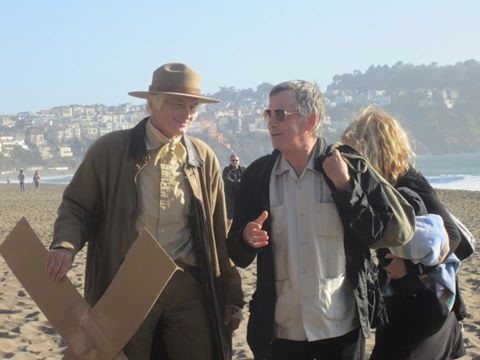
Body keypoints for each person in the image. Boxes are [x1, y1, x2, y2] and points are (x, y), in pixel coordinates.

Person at [46, 63, 243, 360]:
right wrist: (65, 245)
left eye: (193, 106)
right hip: (129, 281)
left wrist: (231, 295)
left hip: (187, 283)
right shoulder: (110, 150)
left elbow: (219, 231)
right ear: (152, 103)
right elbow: (77, 207)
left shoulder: (203, 157)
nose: (188, 113)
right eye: (179, 103)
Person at [227, 81, 413, 360]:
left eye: (281, 114)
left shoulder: (348, 165)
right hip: (280, 332)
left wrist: (346, 187)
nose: (271, 123)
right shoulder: (257, 176)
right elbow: (237, 254)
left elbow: (377, 234)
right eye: (269, 114)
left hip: (341, 328)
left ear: (310, 120)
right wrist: (245, 238)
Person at [341, 105, 465, 360]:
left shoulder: (409, 181)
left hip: (427, 308)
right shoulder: (380, 187)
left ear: (376, 150)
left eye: (359, 155)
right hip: (401, 303)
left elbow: (453, 237)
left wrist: (410, 268)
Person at [222, 153, 245, 220]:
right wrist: (238, 182)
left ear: (239, 161)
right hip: (230, 198)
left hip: (241, 196)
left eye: (236, 160)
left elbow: (247, 179)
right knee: (230, 216)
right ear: (230, 161)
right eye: (233, 160)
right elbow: (227, 180)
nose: (235, 162)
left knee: (241, 215)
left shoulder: (243, 170)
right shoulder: (226, 170)